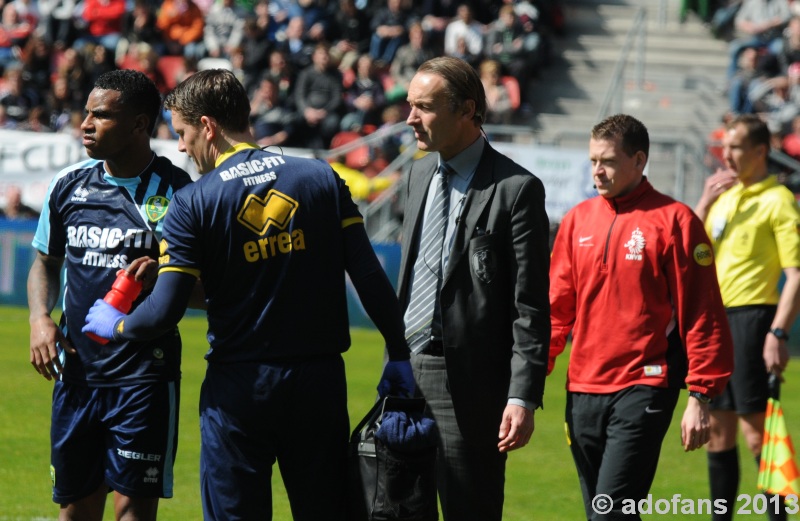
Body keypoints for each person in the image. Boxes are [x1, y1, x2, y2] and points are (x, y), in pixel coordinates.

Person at [82, 68, 415, 521]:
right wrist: (398, 353)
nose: (180, 147)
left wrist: (115, 324)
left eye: (182, 133)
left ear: (207, 127)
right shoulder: (320, 177)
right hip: (317, 385)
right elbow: (370, 276)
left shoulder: (193, 202)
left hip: (239, 392)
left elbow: (163, 312)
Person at [549, 113, 734, 520]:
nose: (597, 170)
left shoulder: (676, 221)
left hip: (644, 385)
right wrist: (525, 378)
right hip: (582, 387)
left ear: (639, 160)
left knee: (609, 513)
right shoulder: (577, 220)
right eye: (593, 160)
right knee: (603, 512)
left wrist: (701, 395)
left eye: (609, 161)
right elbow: (556, 308)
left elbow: (702, 312)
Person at [27, 69, 193, 521]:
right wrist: (40, 318)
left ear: (139, 125)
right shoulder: (69, 186)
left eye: (101, 116)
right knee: (75, 510)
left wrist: (166, 276)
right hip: (76, 374)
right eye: (86, 113)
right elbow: (44, 261)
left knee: (132, 513)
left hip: (144, 379)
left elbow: (206, 291)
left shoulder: (179, 194)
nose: (85, 124)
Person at [398, 56, 551, 521]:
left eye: (423, 107)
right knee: (399, 509)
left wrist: (521, 396)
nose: (410, 119)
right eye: (410, 105)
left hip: (468, 385)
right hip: (404, 375)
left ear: (467, 110)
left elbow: (529, 306)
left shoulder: (516, 189)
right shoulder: (417, 174)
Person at [694, 113, 800, 521]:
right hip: (716, 323)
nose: (727, 154)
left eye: (736, 146)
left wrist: (778, 332)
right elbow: (692, 254)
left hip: (753, 320)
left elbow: (795, 276)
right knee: (717, 433)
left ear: (760, 151)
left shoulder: (778, 200)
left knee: (758, 434)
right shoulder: (724, 197)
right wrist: (703, 202)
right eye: (726, 146)